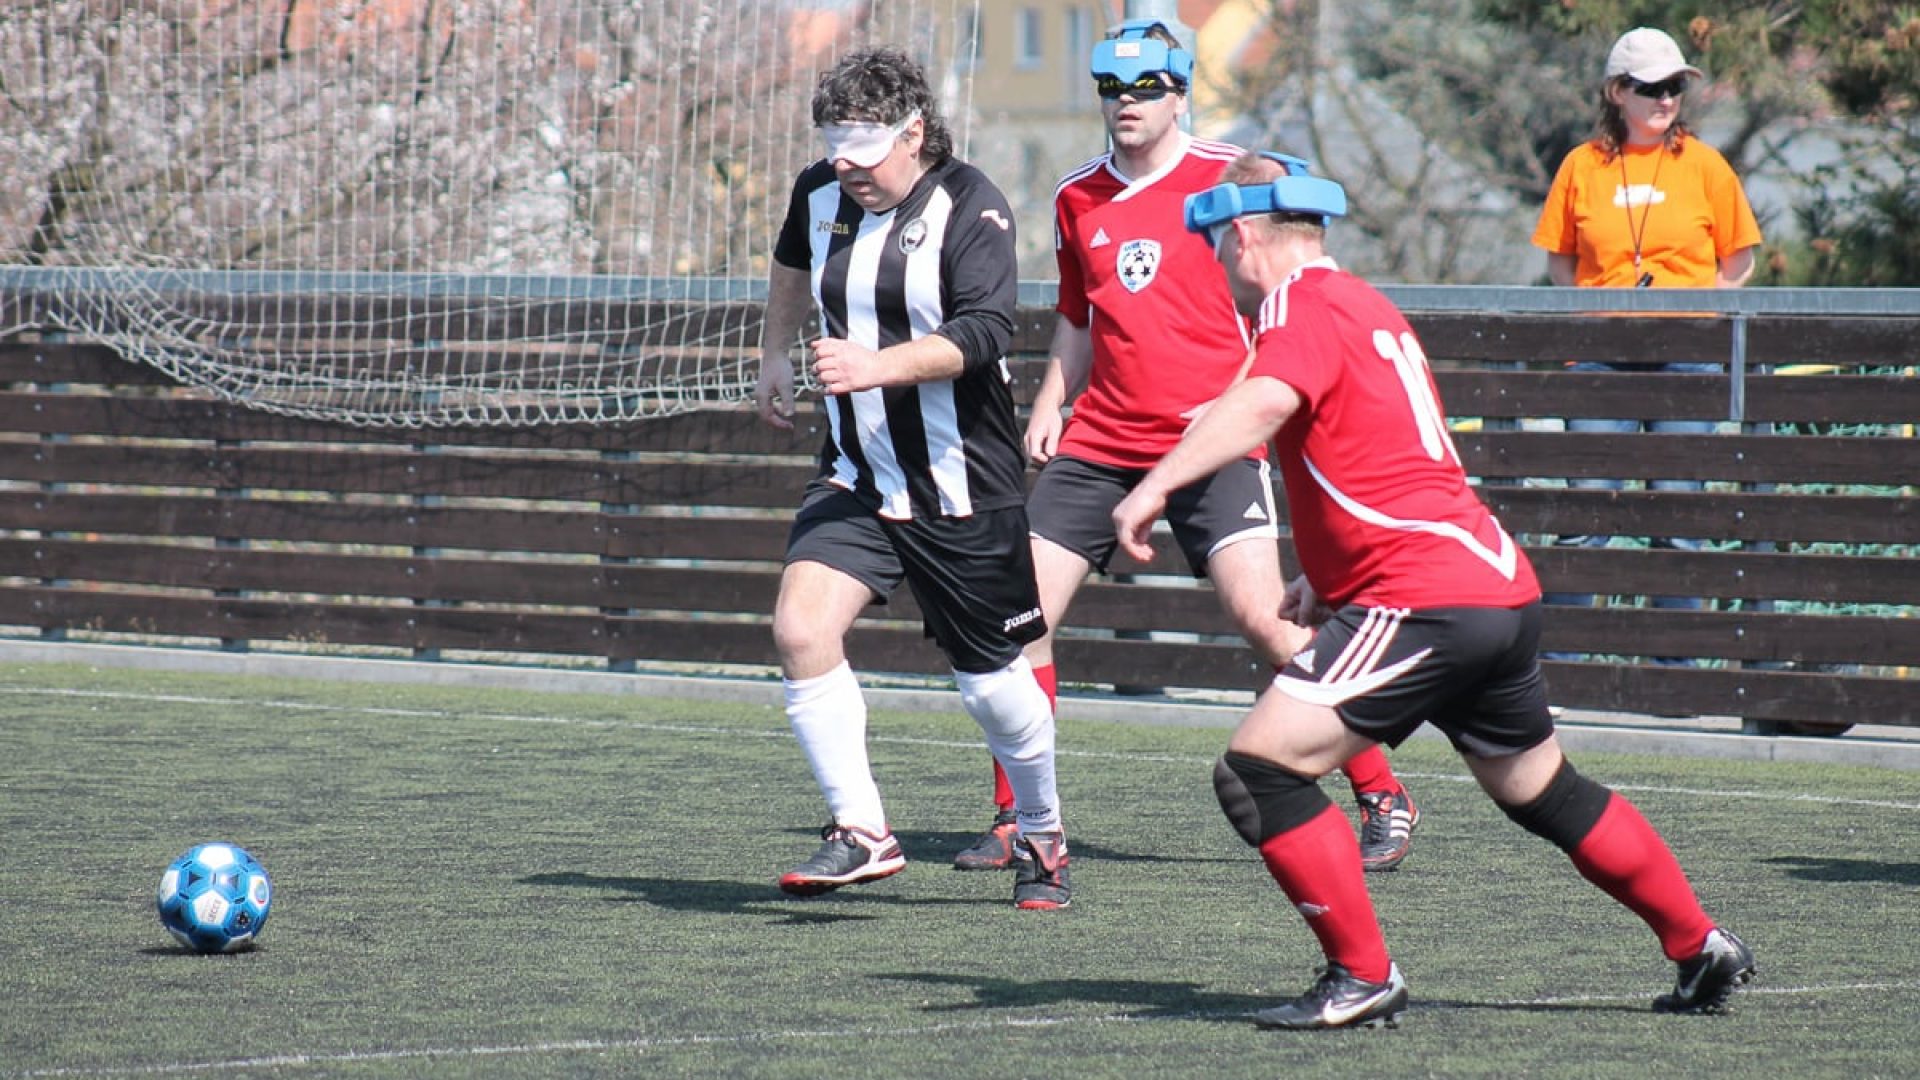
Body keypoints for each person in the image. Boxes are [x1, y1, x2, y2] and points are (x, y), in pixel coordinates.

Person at [1112, 151, 1755, 1028]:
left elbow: (1263, 403)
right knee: (1547, 791)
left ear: (1242, 236)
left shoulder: (1295, 304)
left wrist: (1151, 488)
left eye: (1219, 253)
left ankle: (1363, 975)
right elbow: (1388, 458)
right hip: (1490, 587)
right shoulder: (1368, 304)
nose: (1222, 273)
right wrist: (1323, 576)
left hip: (1424, 598)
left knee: (1259, 770)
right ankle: (1700, 944)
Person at [950, 18, 1421, 878]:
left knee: (1268, 622)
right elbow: (1078, 317)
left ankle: (1382, 790)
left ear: (1179, 93)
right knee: (1015, 620)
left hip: (1212, 444)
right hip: (1100, 442)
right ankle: (1020, 814)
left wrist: (1250, 397)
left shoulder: (1236, 180)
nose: (1124, 106)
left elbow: (1291, 291)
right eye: (1110, 91)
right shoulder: (1075, 196)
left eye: (1144, 90)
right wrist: (1053, 402)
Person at [752, 48, 1070, 910]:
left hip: (961, 482)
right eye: (835, 148)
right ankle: (862, 831)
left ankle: (1042, 830)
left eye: (864, 149)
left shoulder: (973, 207)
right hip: (857, 472)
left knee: (995, 690)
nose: (845, 167)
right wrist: (777, 352)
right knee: (800, 629)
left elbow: (985, 333)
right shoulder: (820, 190)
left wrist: (877, 365)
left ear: (914, 132)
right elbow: (792, 262)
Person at [1531, 26, 1763, 660]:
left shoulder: (1707, 164)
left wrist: (1696, 315)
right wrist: (1596, 311)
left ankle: (1675, 670)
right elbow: (1561, 263)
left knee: (1679, 519)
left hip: (1685, 351)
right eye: (1651, 88)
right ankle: (1563, 668)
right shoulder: (1581, 165)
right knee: (1585, 518)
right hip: (1600, 352)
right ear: (1616, 93)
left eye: (1675, 87)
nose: (1665, 99)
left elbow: (1738, 259)